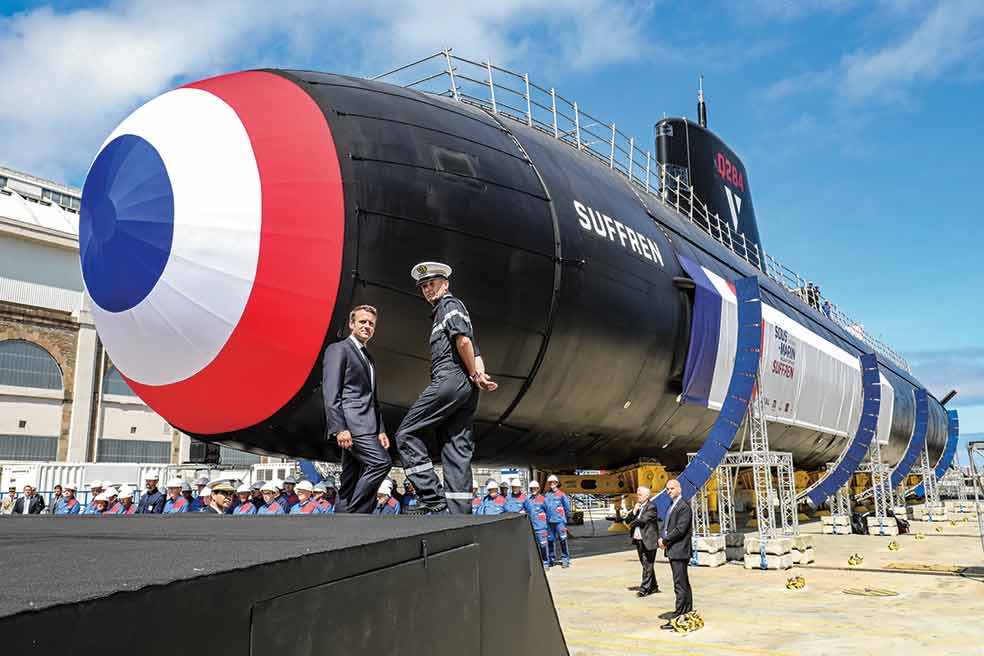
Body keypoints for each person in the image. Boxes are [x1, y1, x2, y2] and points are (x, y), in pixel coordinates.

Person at [395, 262, 498, 514]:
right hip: (466, 386)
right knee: (456, 447)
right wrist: (479, 376)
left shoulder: (449, 305)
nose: (428, 289)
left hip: (450, 379)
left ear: (446, 284)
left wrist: (473, 372)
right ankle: (459, 512)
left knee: (406, 433)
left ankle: (432, 497)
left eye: (432, 283)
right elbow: (473, 347)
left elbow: (463, 341)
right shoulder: (451, 309)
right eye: (424, 286)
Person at [322, 304, 391, 514]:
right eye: (362, 322)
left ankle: (342, 520)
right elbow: (331, 392)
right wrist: (339, 428)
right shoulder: (338, 349)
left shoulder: (368, 357)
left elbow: (372, 398)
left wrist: (380, 429)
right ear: (351, 324)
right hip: (353, 425)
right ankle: (357, 514)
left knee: (350, 479)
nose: (367, 326)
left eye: (371, 323)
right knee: (381, 463)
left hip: (368, 425)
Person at [658, 478, 694, 628]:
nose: (669, 491)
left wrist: (665, 540)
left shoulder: (683, 507)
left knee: (680, 584)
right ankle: (686, 611)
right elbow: (666, 525)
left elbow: (680, 530)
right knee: (682, 583)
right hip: (674, 550)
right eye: (667, 489)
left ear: (679, 489)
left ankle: (679, 615)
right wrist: (661, 537)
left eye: (672, 488)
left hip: (679, 550)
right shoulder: (672, 505)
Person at [626, 486, 660, 597]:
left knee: (647, 564)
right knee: (646, 565)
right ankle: (654, 586)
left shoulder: (651, 507)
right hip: (639, 540)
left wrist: (631, 523)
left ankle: (644, 589)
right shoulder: (638, 507)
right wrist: (634, 511)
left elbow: (642, 520)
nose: (638, 496)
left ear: (647, 496)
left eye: (640, 494)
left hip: (649, 540)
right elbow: (627, 519)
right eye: (637, 494)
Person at [544, 475, 571, 569]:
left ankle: (565, 559)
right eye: (550, 482)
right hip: (549, 522)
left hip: (560, 522)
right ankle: (551, 559)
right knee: (550, 540)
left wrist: (565, 519)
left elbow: (567, 508)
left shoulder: (561, 494)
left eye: (553, 482)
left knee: (563, 540)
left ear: (556, 483)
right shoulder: (547, 495)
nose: (552, 484)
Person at [524, 481, 550, 568]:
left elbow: (548, 512)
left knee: (543, 545)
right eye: (532, 489)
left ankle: (545, 562)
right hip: (531, 527)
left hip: (541, 527)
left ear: (538, 489)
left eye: (535, 488)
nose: (533, 490)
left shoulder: (543, 499)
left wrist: (546, 524)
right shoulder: (528, 500)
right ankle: (537, 563)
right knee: (533, 547)